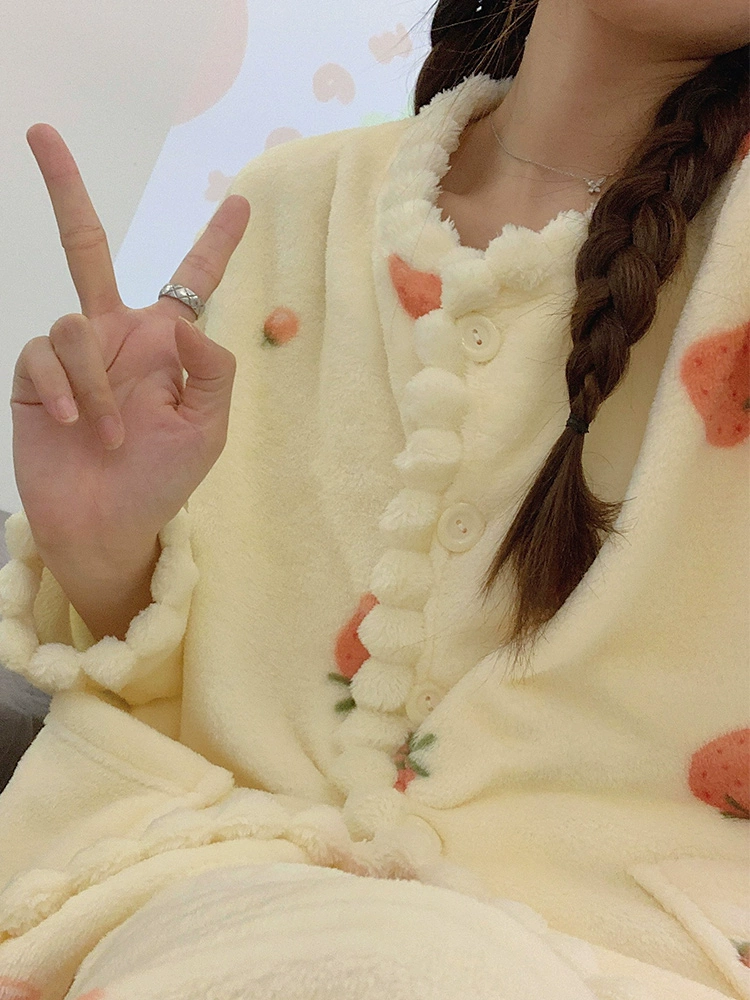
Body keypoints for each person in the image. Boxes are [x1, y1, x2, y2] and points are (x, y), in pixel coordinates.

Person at [0, 0, 748, 996]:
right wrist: (102, 547)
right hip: (191, 890)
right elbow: (182, 701)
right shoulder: (290, 203)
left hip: (622, 957)